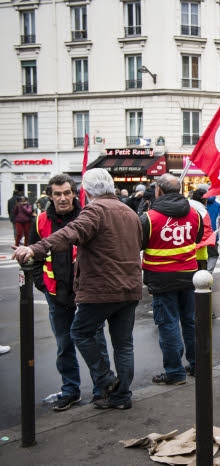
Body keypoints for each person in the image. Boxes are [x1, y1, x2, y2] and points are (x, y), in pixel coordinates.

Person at [12, 168, 143, 410]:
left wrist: (35, 249)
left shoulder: (95, 210)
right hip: (130, 287)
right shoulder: (129, 211)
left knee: (80, 333)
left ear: (86, 191)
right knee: (123, 344)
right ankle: (121, 396)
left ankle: (106, 380)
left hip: (101, 288)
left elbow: (69, 233)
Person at [29, 174, 108, 410]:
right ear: (50, 196)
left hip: (86, 296)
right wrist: (40, 283)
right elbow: (35, 254)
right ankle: (70, 390)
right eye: (57, 194)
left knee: (96, 343)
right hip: (56, 295)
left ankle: (101, 389)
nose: (62, 198)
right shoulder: (41, 221)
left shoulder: (89, 216)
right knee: (64, 346)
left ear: (75, 193)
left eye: (66, 193)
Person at [141, 174, 203, 384]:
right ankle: (197, 365)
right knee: (190, 322)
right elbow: (197, 237)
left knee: (168, 325)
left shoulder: (149, 217)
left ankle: (175, 372)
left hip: (161, 279)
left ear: (158, 190)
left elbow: (139, 244)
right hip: (190, 276)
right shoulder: (194, 213)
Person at [205, 192, 220, 274]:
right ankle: (208, 273)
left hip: (199, 235)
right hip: (213, 235)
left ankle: (200, 274)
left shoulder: (196, 204)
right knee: (213, 255)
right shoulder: (217, 204)